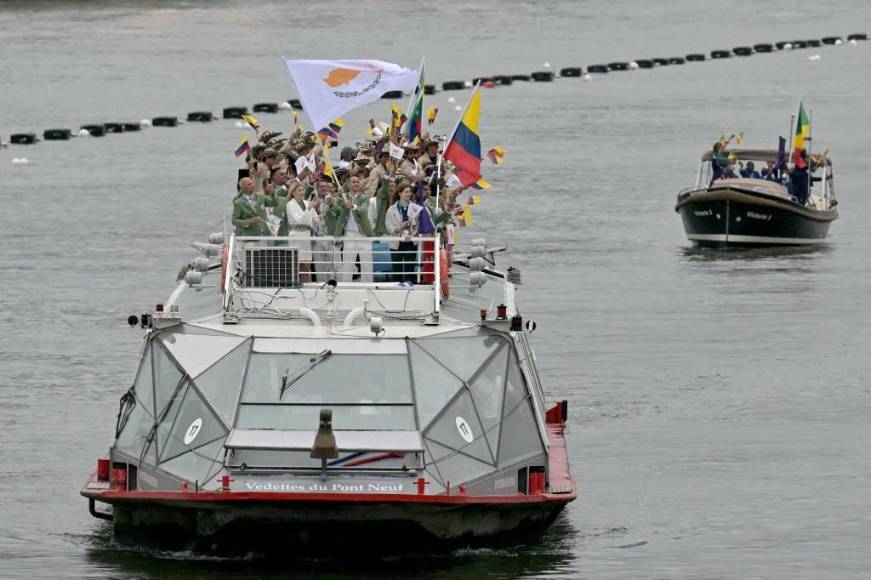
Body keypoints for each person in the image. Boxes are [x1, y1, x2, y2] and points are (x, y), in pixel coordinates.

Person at [328, 174, 376, 282]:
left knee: (367, 262)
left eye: (358, 182)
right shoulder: (344, 197)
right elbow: (337, 207)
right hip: (349, 233)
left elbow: (363, 211)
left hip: (363, 233)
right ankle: (346, 286)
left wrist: (353, 206)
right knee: (348, 262)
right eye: (353, 182)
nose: (356, 183)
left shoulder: (364, 198)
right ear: (349, 184)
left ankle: (368, 286)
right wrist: (338, 196)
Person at [386, 181, 423, 283]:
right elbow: (389, 228)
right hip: (396, 242)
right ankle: (396, 287)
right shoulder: (391, 209)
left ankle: (408, 286)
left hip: (410, 242)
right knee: (396, 267)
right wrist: (399, 228)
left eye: (409, 192)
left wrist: (412, 235)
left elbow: (418, 226)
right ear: (399, 193)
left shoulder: (415, 208)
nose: (408, 194)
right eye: (406, 192)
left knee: (409, 267)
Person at [286, 180, 319, 281]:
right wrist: (309, 209)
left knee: (306, 266)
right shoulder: (290, 204)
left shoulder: (306, 203)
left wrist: (322, 216)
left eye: (303, 190)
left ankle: (306, 286)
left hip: (306, 237)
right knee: (296, 265)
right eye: (299, 190)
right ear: (293, 192)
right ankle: (295, 286)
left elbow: (316, 218)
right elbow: (300, 221)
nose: (302, 192)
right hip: (296, 237)